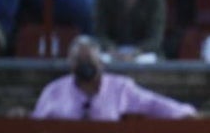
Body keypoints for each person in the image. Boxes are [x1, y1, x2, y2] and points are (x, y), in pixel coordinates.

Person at [31, 35, 197, 120]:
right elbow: (36, 124)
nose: (84, 65)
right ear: (70, 64)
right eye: (79, 61)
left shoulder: (120, 88)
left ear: (101, 63)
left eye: (89, 60)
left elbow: (153, 103)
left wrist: (184, 112)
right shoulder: (53, 91)